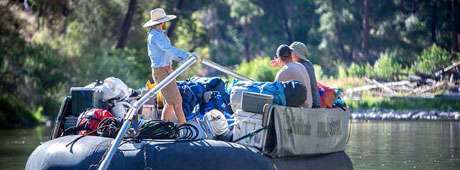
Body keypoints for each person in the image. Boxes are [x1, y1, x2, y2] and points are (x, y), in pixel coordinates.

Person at [143, 8, 193, 124]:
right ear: (162, 22)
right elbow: (168, 49)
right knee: (177, 101)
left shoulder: (158, 34)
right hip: (162, 71)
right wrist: (187, 55)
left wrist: (184, 58)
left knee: (170, 102)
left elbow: (168, 53)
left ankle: (163, 126)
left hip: (165, 70)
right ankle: (184, 128)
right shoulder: (157, 36)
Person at [289, 42, 321, 108]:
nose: (290, 54)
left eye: (291, 52)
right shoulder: (308, 64)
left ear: (296, 54)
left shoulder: (301, 66)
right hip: (314, 101)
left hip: (312, 104)